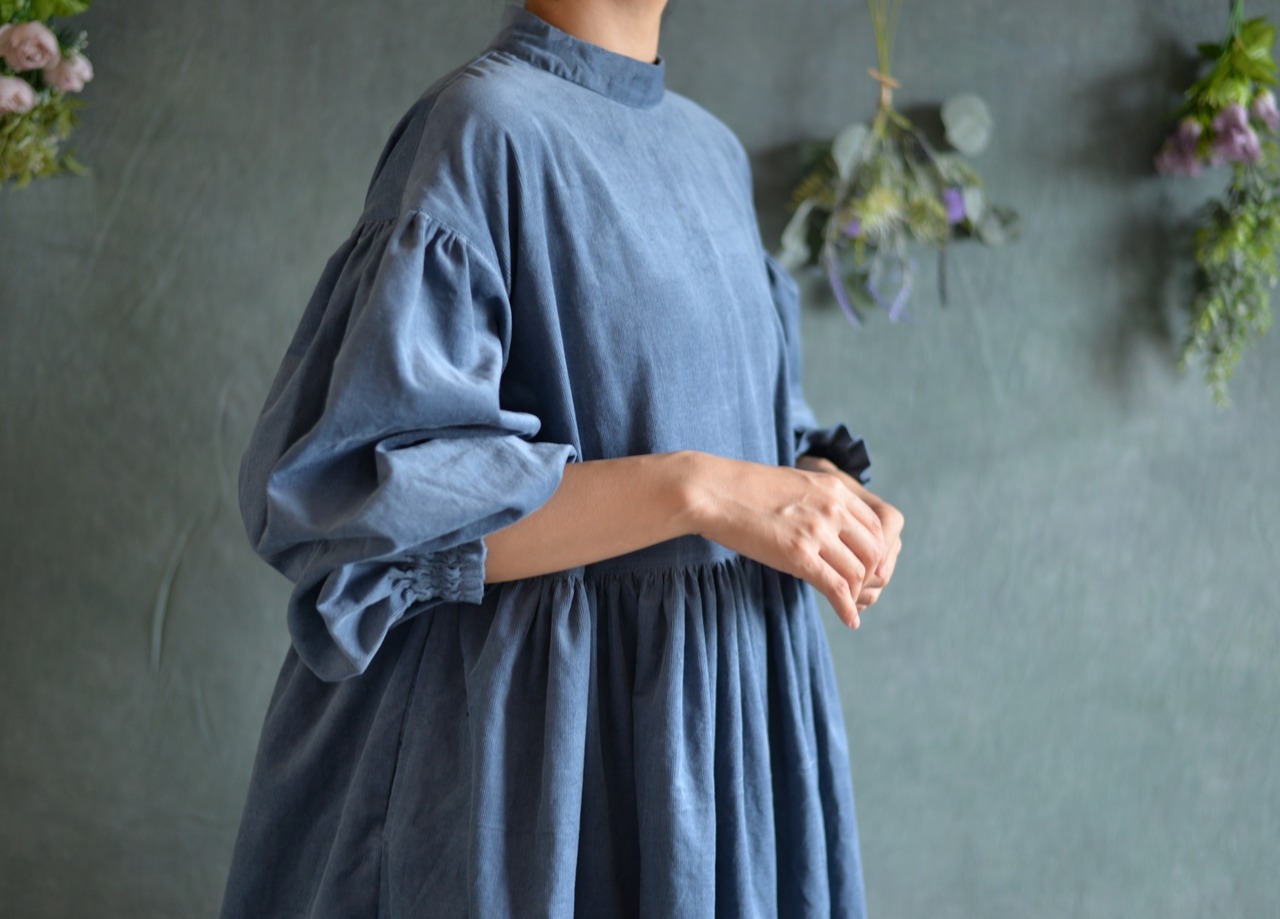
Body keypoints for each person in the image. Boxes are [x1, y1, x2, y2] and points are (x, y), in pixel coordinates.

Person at [220, 1, 904, 916]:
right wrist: (694, 489)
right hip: (541, 766)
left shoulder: (712, 151)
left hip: (722, 740)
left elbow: (756, 421)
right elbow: (365, 510)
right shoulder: (482, 127)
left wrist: (816, 486)